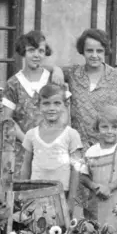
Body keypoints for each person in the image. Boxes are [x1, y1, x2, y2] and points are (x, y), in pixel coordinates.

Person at [63, 28, 117, 217]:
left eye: (99, 51)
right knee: (86, 200)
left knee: (115, 201)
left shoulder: (116, 77)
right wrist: (54, 72)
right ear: (82, 51)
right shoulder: (73, 74)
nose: (94, 55)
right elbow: (51, 70)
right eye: (89, 50)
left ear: (105, 52)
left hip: (111, 147)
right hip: (83, 147)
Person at [0, 30, 66, 176]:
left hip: (51, 149)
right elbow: (7, 119)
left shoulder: (53, 81)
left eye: (41, 51)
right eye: (31, 50)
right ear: (23, 52)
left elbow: (65, 114)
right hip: (22, 150)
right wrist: (28, 141)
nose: (36, 55)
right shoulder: (13, 84)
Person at [21, 83, 84, 221]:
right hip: (36, 194)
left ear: (64, 105)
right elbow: (26, 166)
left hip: (61, 194)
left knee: (59, 232)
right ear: (39, 106)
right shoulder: (31, 135)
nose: (51, 108)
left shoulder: (71, 135)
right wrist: (23, 195)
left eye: (57, 103)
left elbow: (76, 169)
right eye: (46, 103)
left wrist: (71, 200)